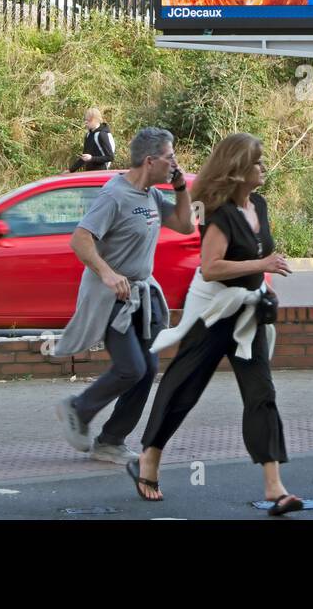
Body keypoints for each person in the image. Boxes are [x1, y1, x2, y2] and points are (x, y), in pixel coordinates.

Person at [131, 132, 302, 515]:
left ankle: (275, 488)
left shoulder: (258, 203)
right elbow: (210, 268)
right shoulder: (217, 212)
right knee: (183, 388)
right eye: (256, 162)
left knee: (262, 394)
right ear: (239, 171)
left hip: (247, 312)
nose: (262, 167)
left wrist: (263, 284)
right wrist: (261, 265)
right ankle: (150, 459)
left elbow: (258, 255)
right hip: (212, 312)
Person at [52, 127, 194, 463]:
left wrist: (181, 188)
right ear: (150, 161)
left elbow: (186, 225)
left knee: (146, 369)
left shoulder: (152, 195)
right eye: (169, 157)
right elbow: (81, 239)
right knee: (132, 368)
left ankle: (111, 441)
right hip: (112, 296)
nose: (174, 162)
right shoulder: (115, 195)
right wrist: (107, 273)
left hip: (143, 295)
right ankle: (77, 408)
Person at [68, 108, 116, 173]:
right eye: (85, 120)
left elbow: (110, 157)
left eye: (89, 120)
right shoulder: (88, 135)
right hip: (89, 173)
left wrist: (91, 158)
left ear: (96, 120)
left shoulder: (102, 135)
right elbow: (84, 157)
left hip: (100, 174)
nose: (86, 122)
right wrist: (70, 170)